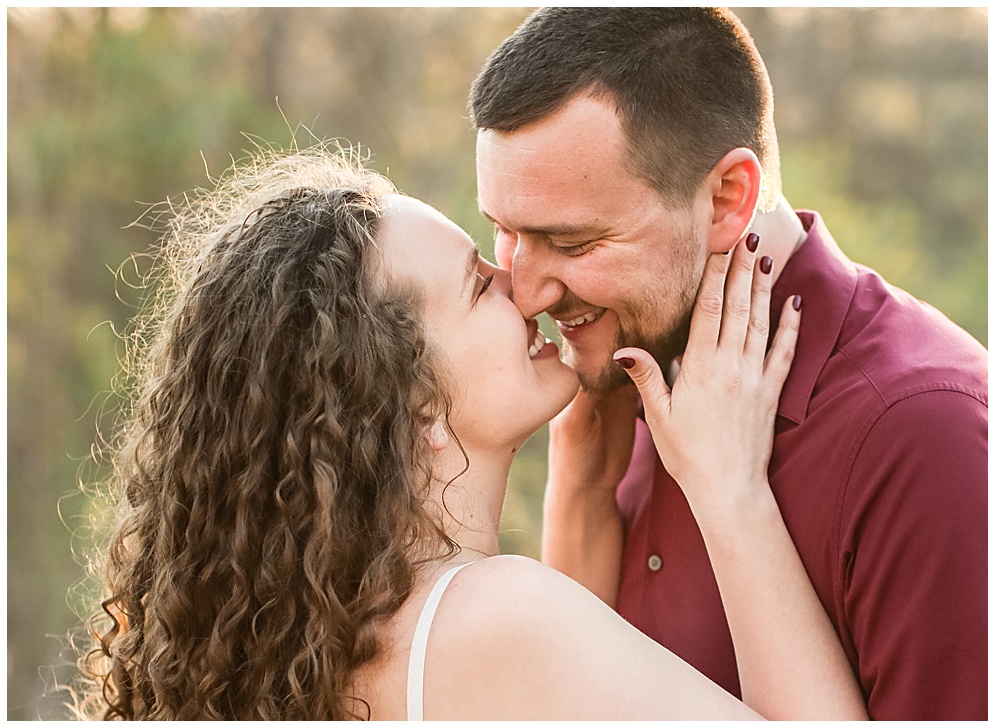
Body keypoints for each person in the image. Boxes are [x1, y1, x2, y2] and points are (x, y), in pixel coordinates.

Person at [74, 145, 867, 720]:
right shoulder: (496, 623)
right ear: (413, 404)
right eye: (474, 283)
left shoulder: (320, 643)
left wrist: (584, 490)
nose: (520, 286)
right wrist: (732, 492)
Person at [469, 7, 988, 721]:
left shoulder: (930, 441)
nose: (526, 291)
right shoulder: (627, 374)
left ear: (729, 198)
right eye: (504, 233)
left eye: (571, 243)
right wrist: (582, 479)